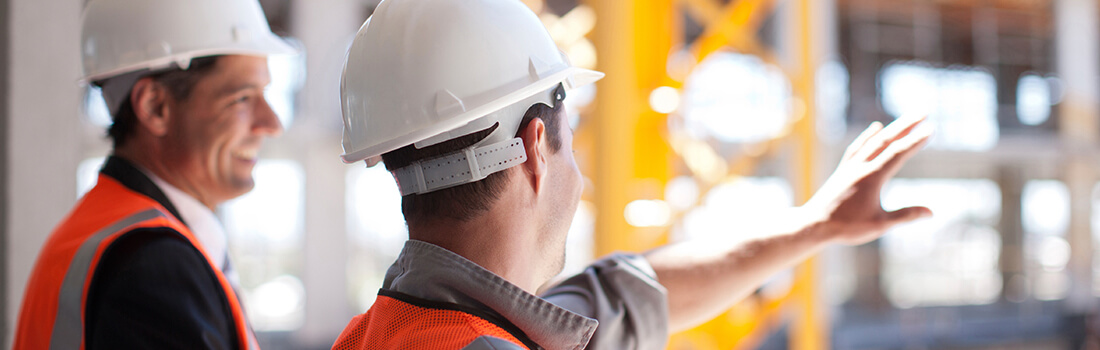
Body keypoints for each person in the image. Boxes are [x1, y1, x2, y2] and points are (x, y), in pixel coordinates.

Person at [332, 0, 933, 349]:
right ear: (536, 148)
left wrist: (815, 225)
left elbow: (626, 295)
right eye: (574, 145)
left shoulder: (385, 331)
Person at [14, 0, 295, 348]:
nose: (273, 124)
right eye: (242, 98)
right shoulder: (152, 264)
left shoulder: (105, 232)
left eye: (265, 93)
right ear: (154, 107)